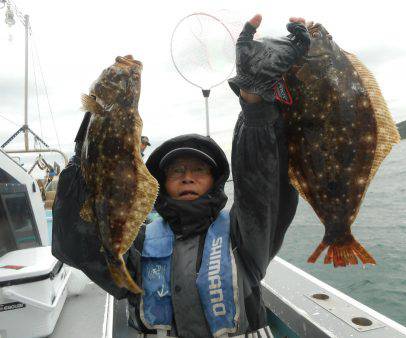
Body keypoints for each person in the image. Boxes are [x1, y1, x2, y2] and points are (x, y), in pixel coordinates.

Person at [52, 14, 310, 338]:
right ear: (160, 183)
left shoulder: (244, 235)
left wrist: (256, 106)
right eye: (177, 171)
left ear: (215, 181)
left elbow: (262, 180)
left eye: (199, 170)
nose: (187, 177)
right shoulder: (137, 243)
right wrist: (83, 161)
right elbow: (74, 244)